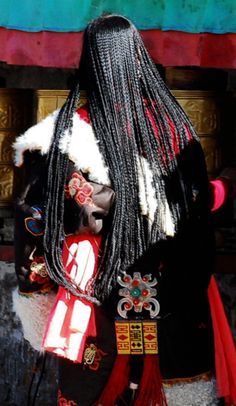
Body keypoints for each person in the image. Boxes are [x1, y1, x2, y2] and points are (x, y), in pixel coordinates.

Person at [12, 14, 236, 406]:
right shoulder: (174, 133)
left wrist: (37, 294)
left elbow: (36, 222)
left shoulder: (65, 137)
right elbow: (198, 208)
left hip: (95, 303)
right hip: (171, 300)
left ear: (89, 64)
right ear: (139, 59)